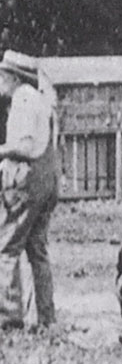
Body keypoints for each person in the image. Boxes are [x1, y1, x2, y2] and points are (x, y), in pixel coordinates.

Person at [0, 50, 58, 328]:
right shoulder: (40, 99)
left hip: (26, 183)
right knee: (37, 250)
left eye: (2, 75)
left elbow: (24, 147)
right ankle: (45, 317)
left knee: (7, 248)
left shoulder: (22, 99)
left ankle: (9, 319)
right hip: (47, 180)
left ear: (13, 77)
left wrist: (1, 151)